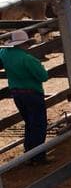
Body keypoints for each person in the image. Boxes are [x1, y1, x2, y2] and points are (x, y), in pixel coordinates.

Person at [0, 31, 49, 164]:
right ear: (24, 44)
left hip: (16, 93)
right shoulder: (28, 59)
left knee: (29, 122)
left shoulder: (4, 54)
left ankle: (29, 154)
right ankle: (38, 156)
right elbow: (43, 76)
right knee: (38, 124)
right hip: (32, 93)